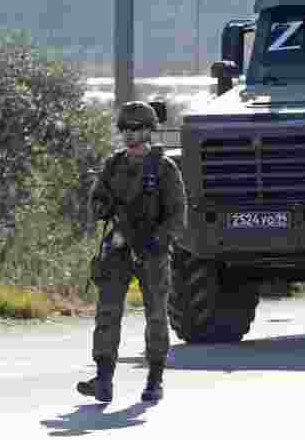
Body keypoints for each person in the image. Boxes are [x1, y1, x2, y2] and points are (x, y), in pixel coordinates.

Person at [77, 101, 186, 403]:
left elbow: (178, 217)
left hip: (152, 250)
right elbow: (97, 202)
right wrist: (104, 207)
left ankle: (154, 378)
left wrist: (155, 241)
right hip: (119, 246)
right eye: (125, 128)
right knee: (107, 311)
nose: (130, 135)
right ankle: (103, 378)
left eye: (136, 128)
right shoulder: (114, 165)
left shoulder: (164, 169)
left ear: (150, 131)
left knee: (155, 314)